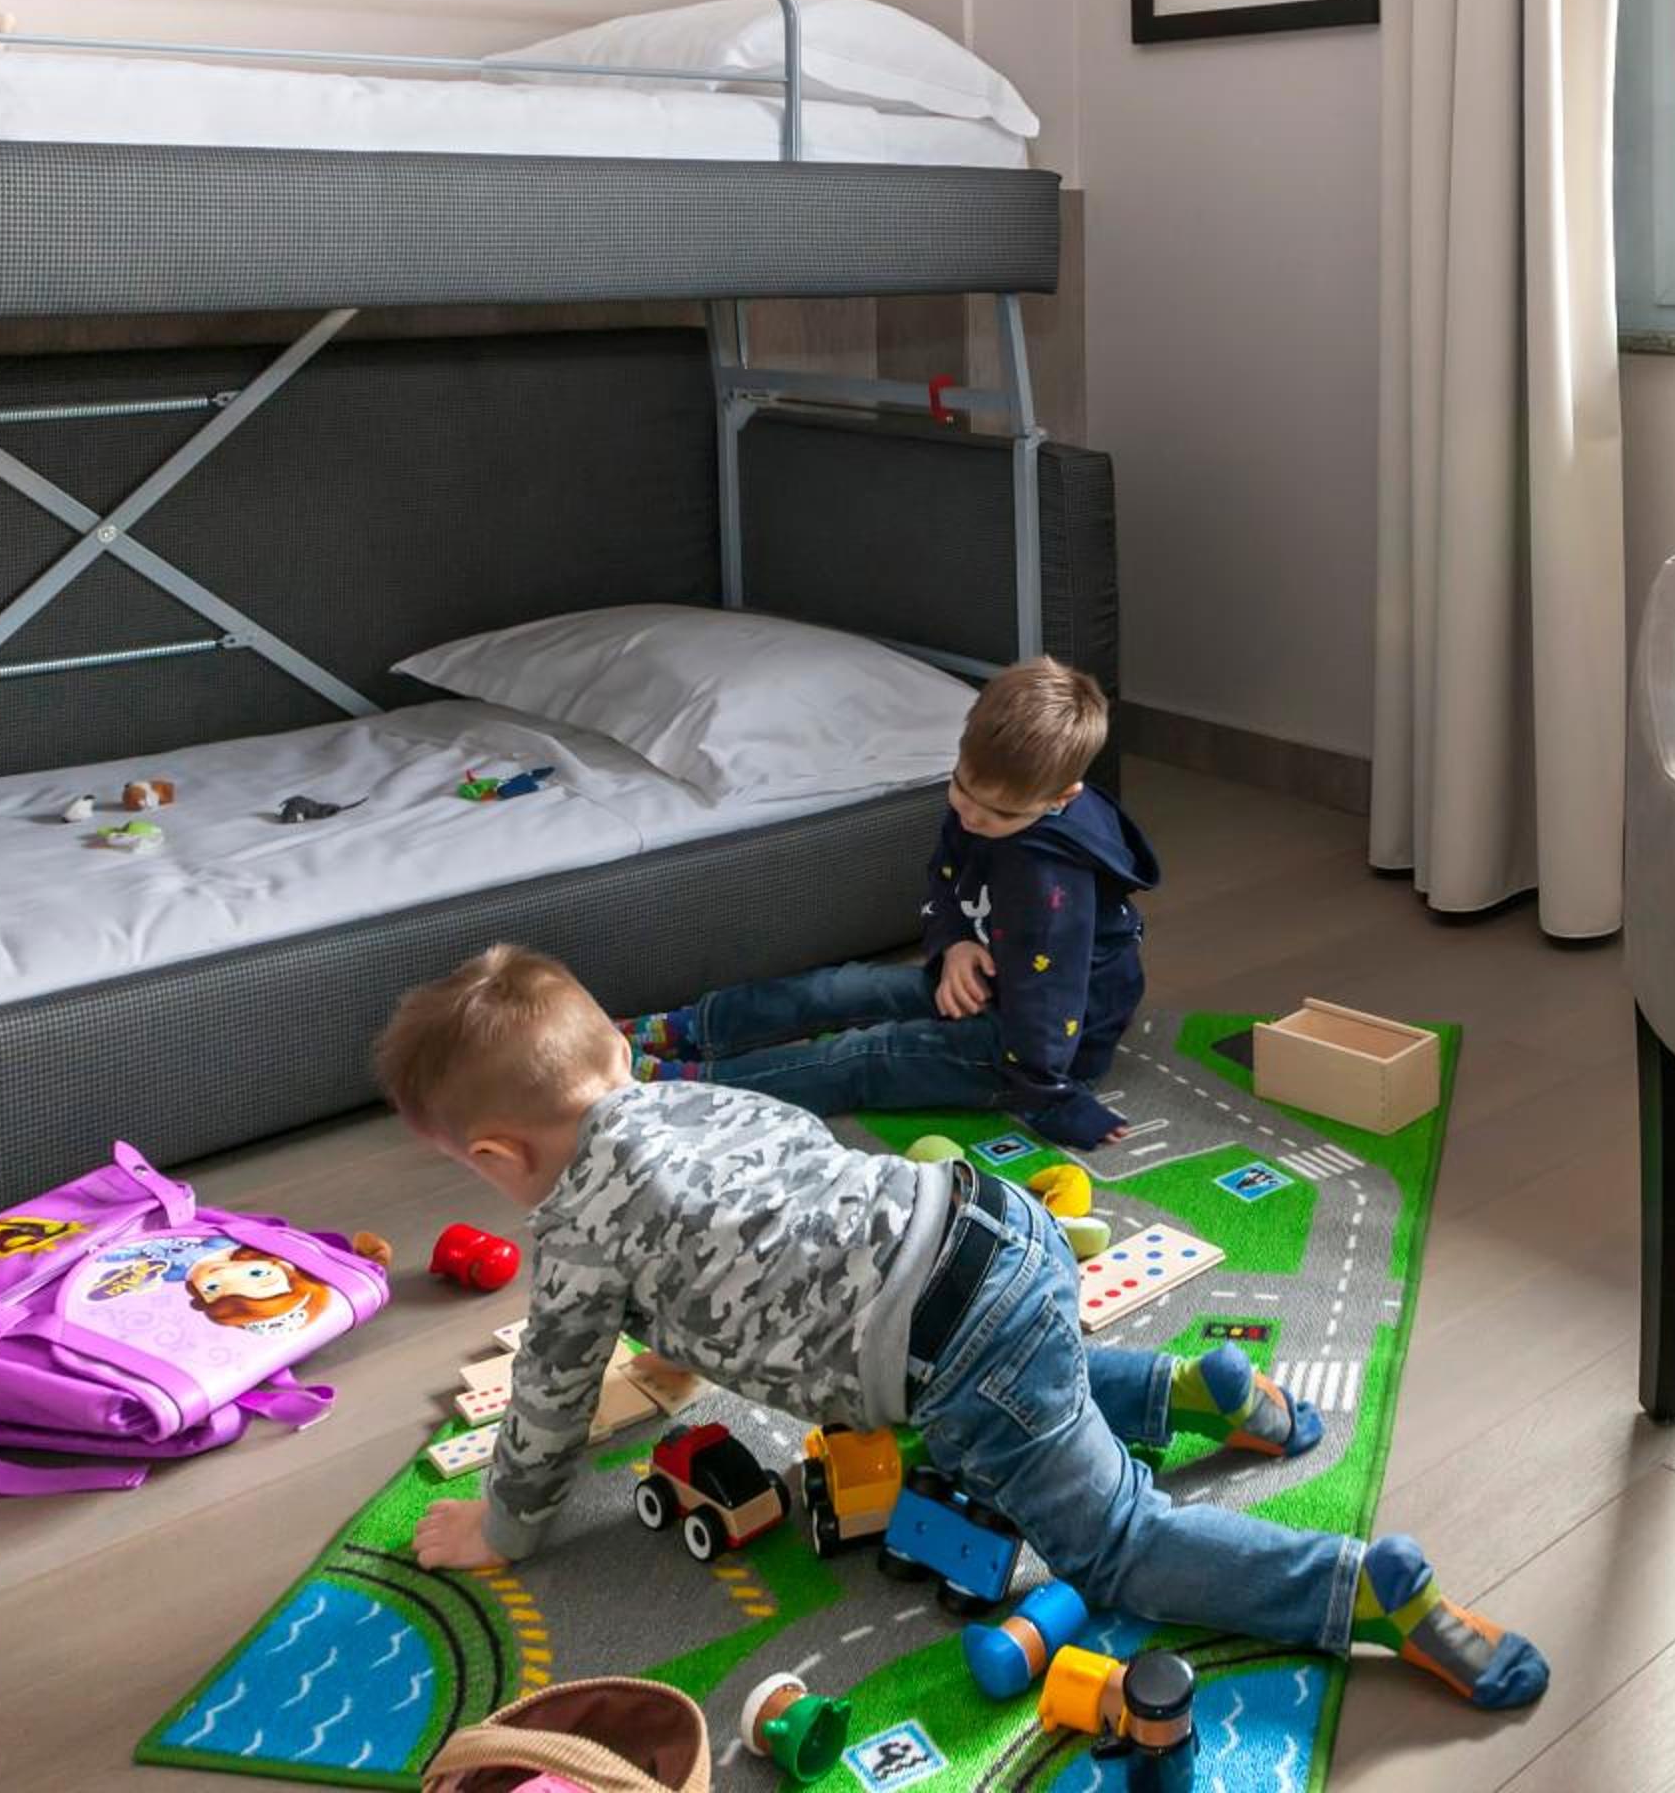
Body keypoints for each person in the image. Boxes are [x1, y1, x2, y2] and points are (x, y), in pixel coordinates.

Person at [379, 944, 1549, 1711]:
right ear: (616, 1056)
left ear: (496, 1156)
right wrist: (688, 1332)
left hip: (956, 1345)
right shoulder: (691, 1098)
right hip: (992, 1223)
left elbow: (549, 1400)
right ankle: (1196, 1392)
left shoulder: (575, 1235)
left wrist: (503, 1525)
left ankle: (1361, 1590)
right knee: (1033, 1379)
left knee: (1114, 1543)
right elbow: (781, 1194)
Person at [622, 656, 1156, 1151]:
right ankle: (686, 1028)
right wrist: (955, 945)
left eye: (996, 814)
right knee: (840, 989)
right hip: (995, 984)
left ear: (1061, 798)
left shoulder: (1052, 882)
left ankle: (689, 1088)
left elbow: (1052, 999)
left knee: (865, 1056)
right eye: (962, 789)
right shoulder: (988, 801)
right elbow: (947, 879)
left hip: (1038, 1050)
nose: (971, 817)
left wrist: (1052, 1096)